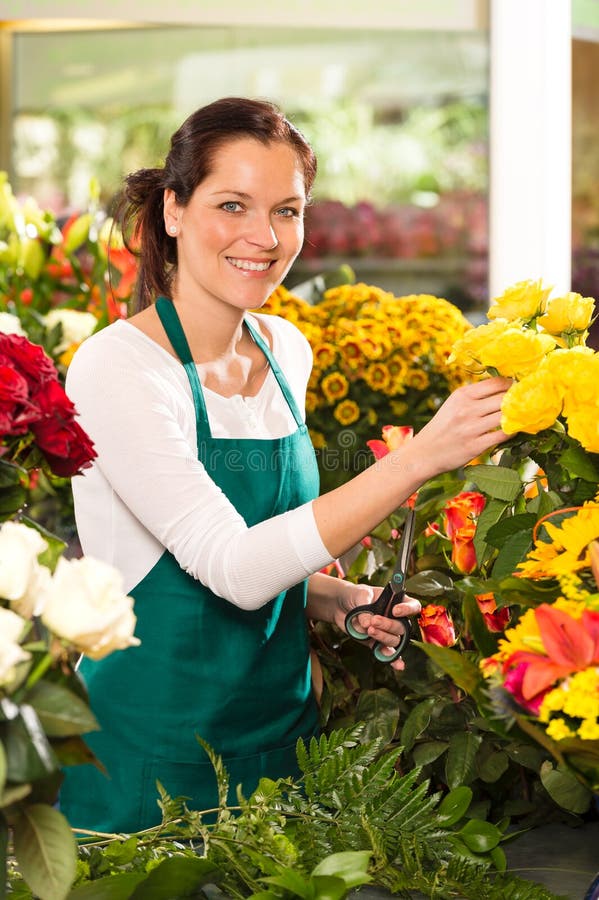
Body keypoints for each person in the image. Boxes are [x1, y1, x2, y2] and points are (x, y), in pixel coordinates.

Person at [60, 96, 510, 834]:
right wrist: (421, 456)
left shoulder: (283, 348)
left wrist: (334, 599)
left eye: (287, 211)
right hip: (144, 766)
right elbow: (230, 568)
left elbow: (261, 554)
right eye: (231, 205)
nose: (263, 238)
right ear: (172, 211)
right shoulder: (118, 368)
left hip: (279, 750)